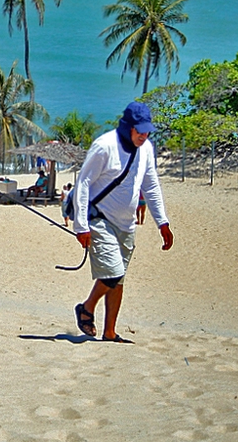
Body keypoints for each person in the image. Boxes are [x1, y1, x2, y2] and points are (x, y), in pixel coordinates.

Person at [72, 101, 174, 343]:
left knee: (119, 280)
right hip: (100, 217)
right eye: (139, 130)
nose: (144, 135)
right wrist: (81, 226)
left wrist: (163, 222)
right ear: (127, 127)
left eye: (147, 131)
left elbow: (150, 184)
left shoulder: (147, 148)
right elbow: (83, 183)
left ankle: (109, 332)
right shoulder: (104, 147)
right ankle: (86, 308)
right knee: (113, 272)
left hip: (127, 224)